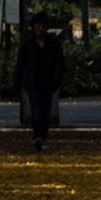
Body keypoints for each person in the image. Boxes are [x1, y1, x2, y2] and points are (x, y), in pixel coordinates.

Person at [14, 17, 64, 151]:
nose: (40, 29)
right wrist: (18, 82)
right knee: (36, 110)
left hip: (48, 82)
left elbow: (59, 64)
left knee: (45, 111)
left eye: (42, 26)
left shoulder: (53, 43)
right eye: (38, 26)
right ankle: (38, 136)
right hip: (33, 82)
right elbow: (21, 64)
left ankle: (42, 135)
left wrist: (56, 80)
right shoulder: (27, 43)